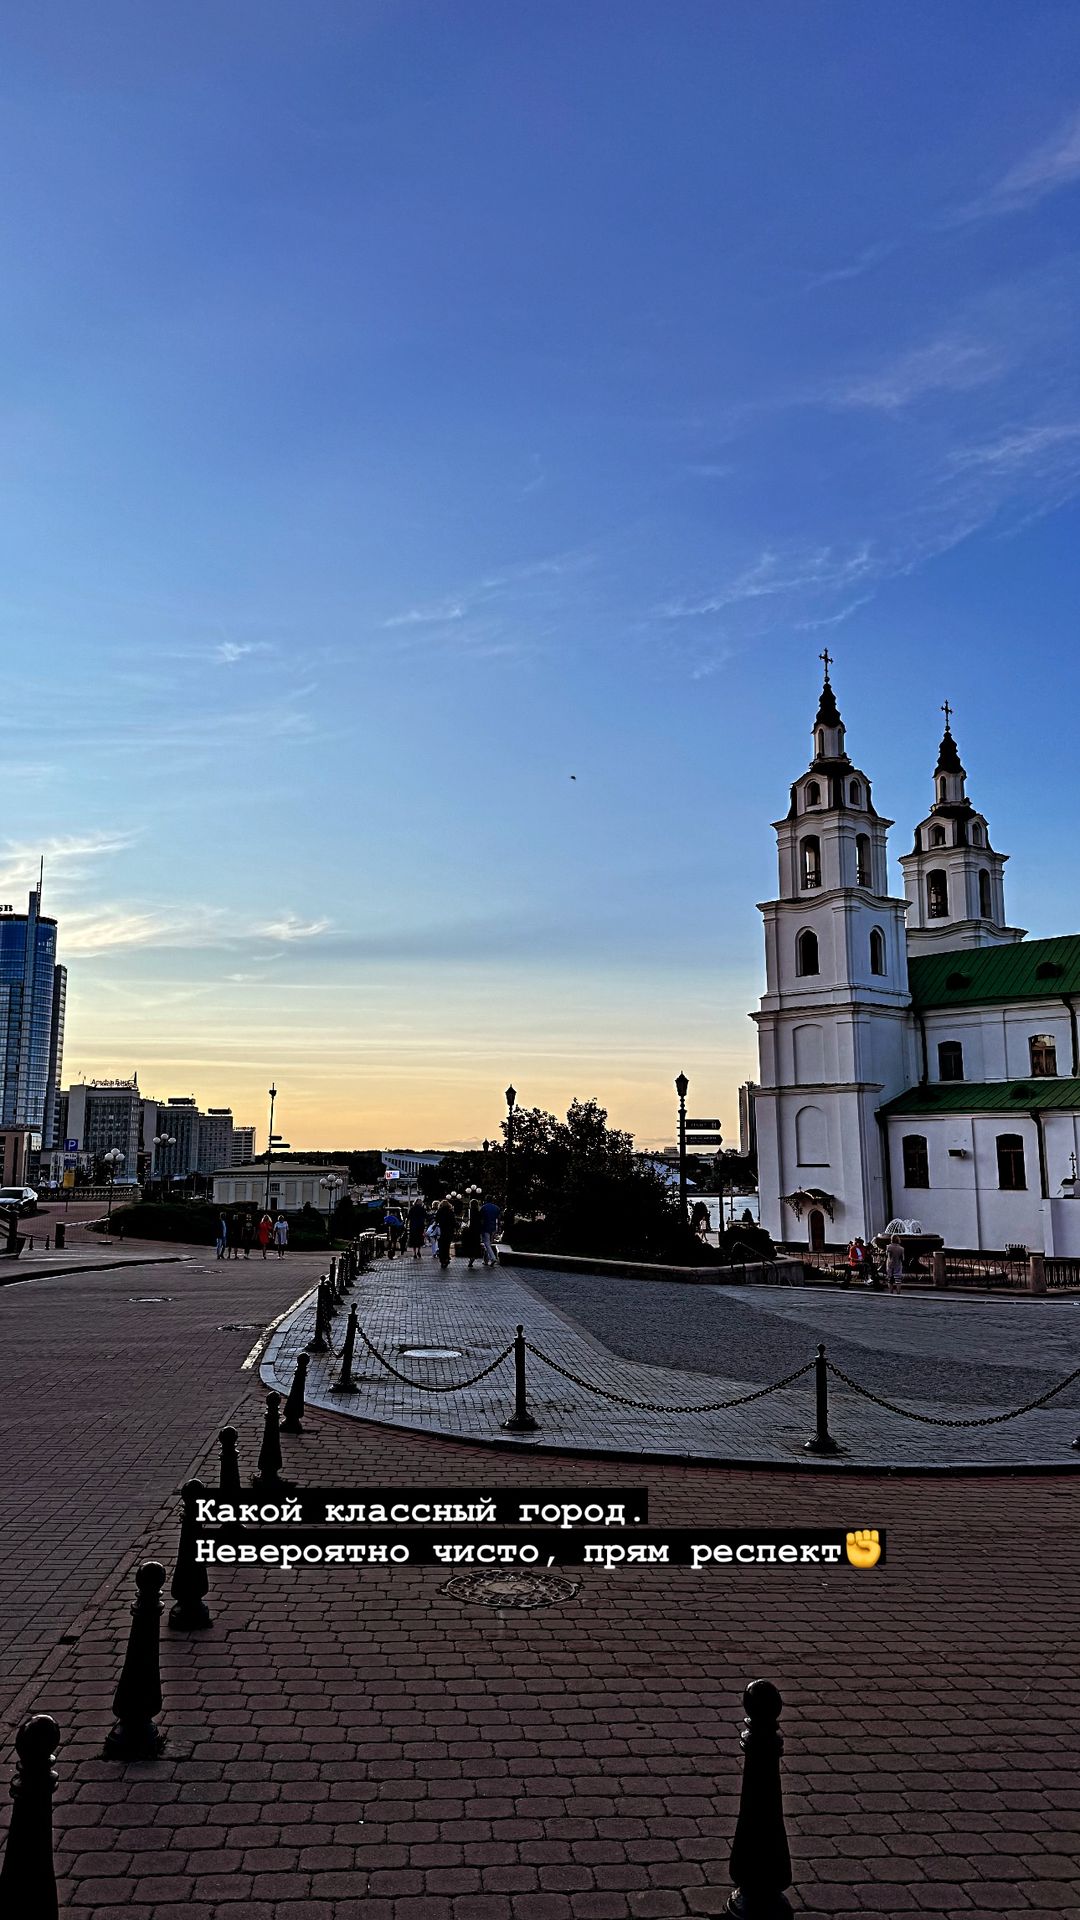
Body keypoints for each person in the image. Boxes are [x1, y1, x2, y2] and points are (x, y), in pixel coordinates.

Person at [461, 1195, 483, 1270]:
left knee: (469, 1244)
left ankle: (471, 1257)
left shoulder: (468, 1211)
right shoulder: (479, 1212)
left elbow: (464, 1219)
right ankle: (473, 1257)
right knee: (475, 1244)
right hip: (476, 1231)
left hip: (469, 1230)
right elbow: (481, 1221)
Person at [435, 1194, 457, 1271]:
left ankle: (442, 1259)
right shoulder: (450, 1211)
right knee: (447, 1246)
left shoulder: (439, 1211)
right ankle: (447, 1258)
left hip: (441, 1231)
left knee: (441, 1246)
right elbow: (454, 1222)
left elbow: (436, 1220)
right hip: (449, 1231)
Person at [479, 1194, 501, 1268]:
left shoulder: (483, 1208)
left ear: (486, 1199)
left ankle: (493, 1258)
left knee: (487, 1244)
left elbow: (481, 1219)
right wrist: (499, 1228)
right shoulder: (496, 1208)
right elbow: (499, 1219)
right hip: (493, 1228)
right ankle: (485, 1260)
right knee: (488, 1244)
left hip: (485, 1227)